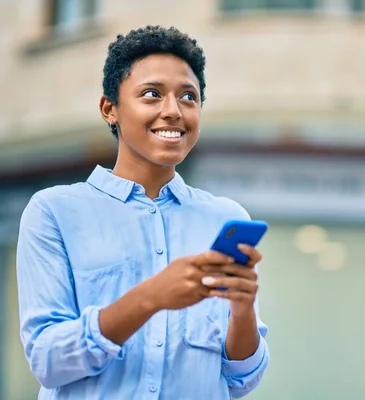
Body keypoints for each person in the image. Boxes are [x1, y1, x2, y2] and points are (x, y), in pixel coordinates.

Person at [16, 25, 269, 400]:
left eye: (188, 97)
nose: (173, 111)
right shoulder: (53, 212)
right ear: (110, 109)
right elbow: (48, 359)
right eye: (151, 94)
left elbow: (242, 379)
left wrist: (242, 308)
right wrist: (151, 297)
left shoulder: (226, 218)